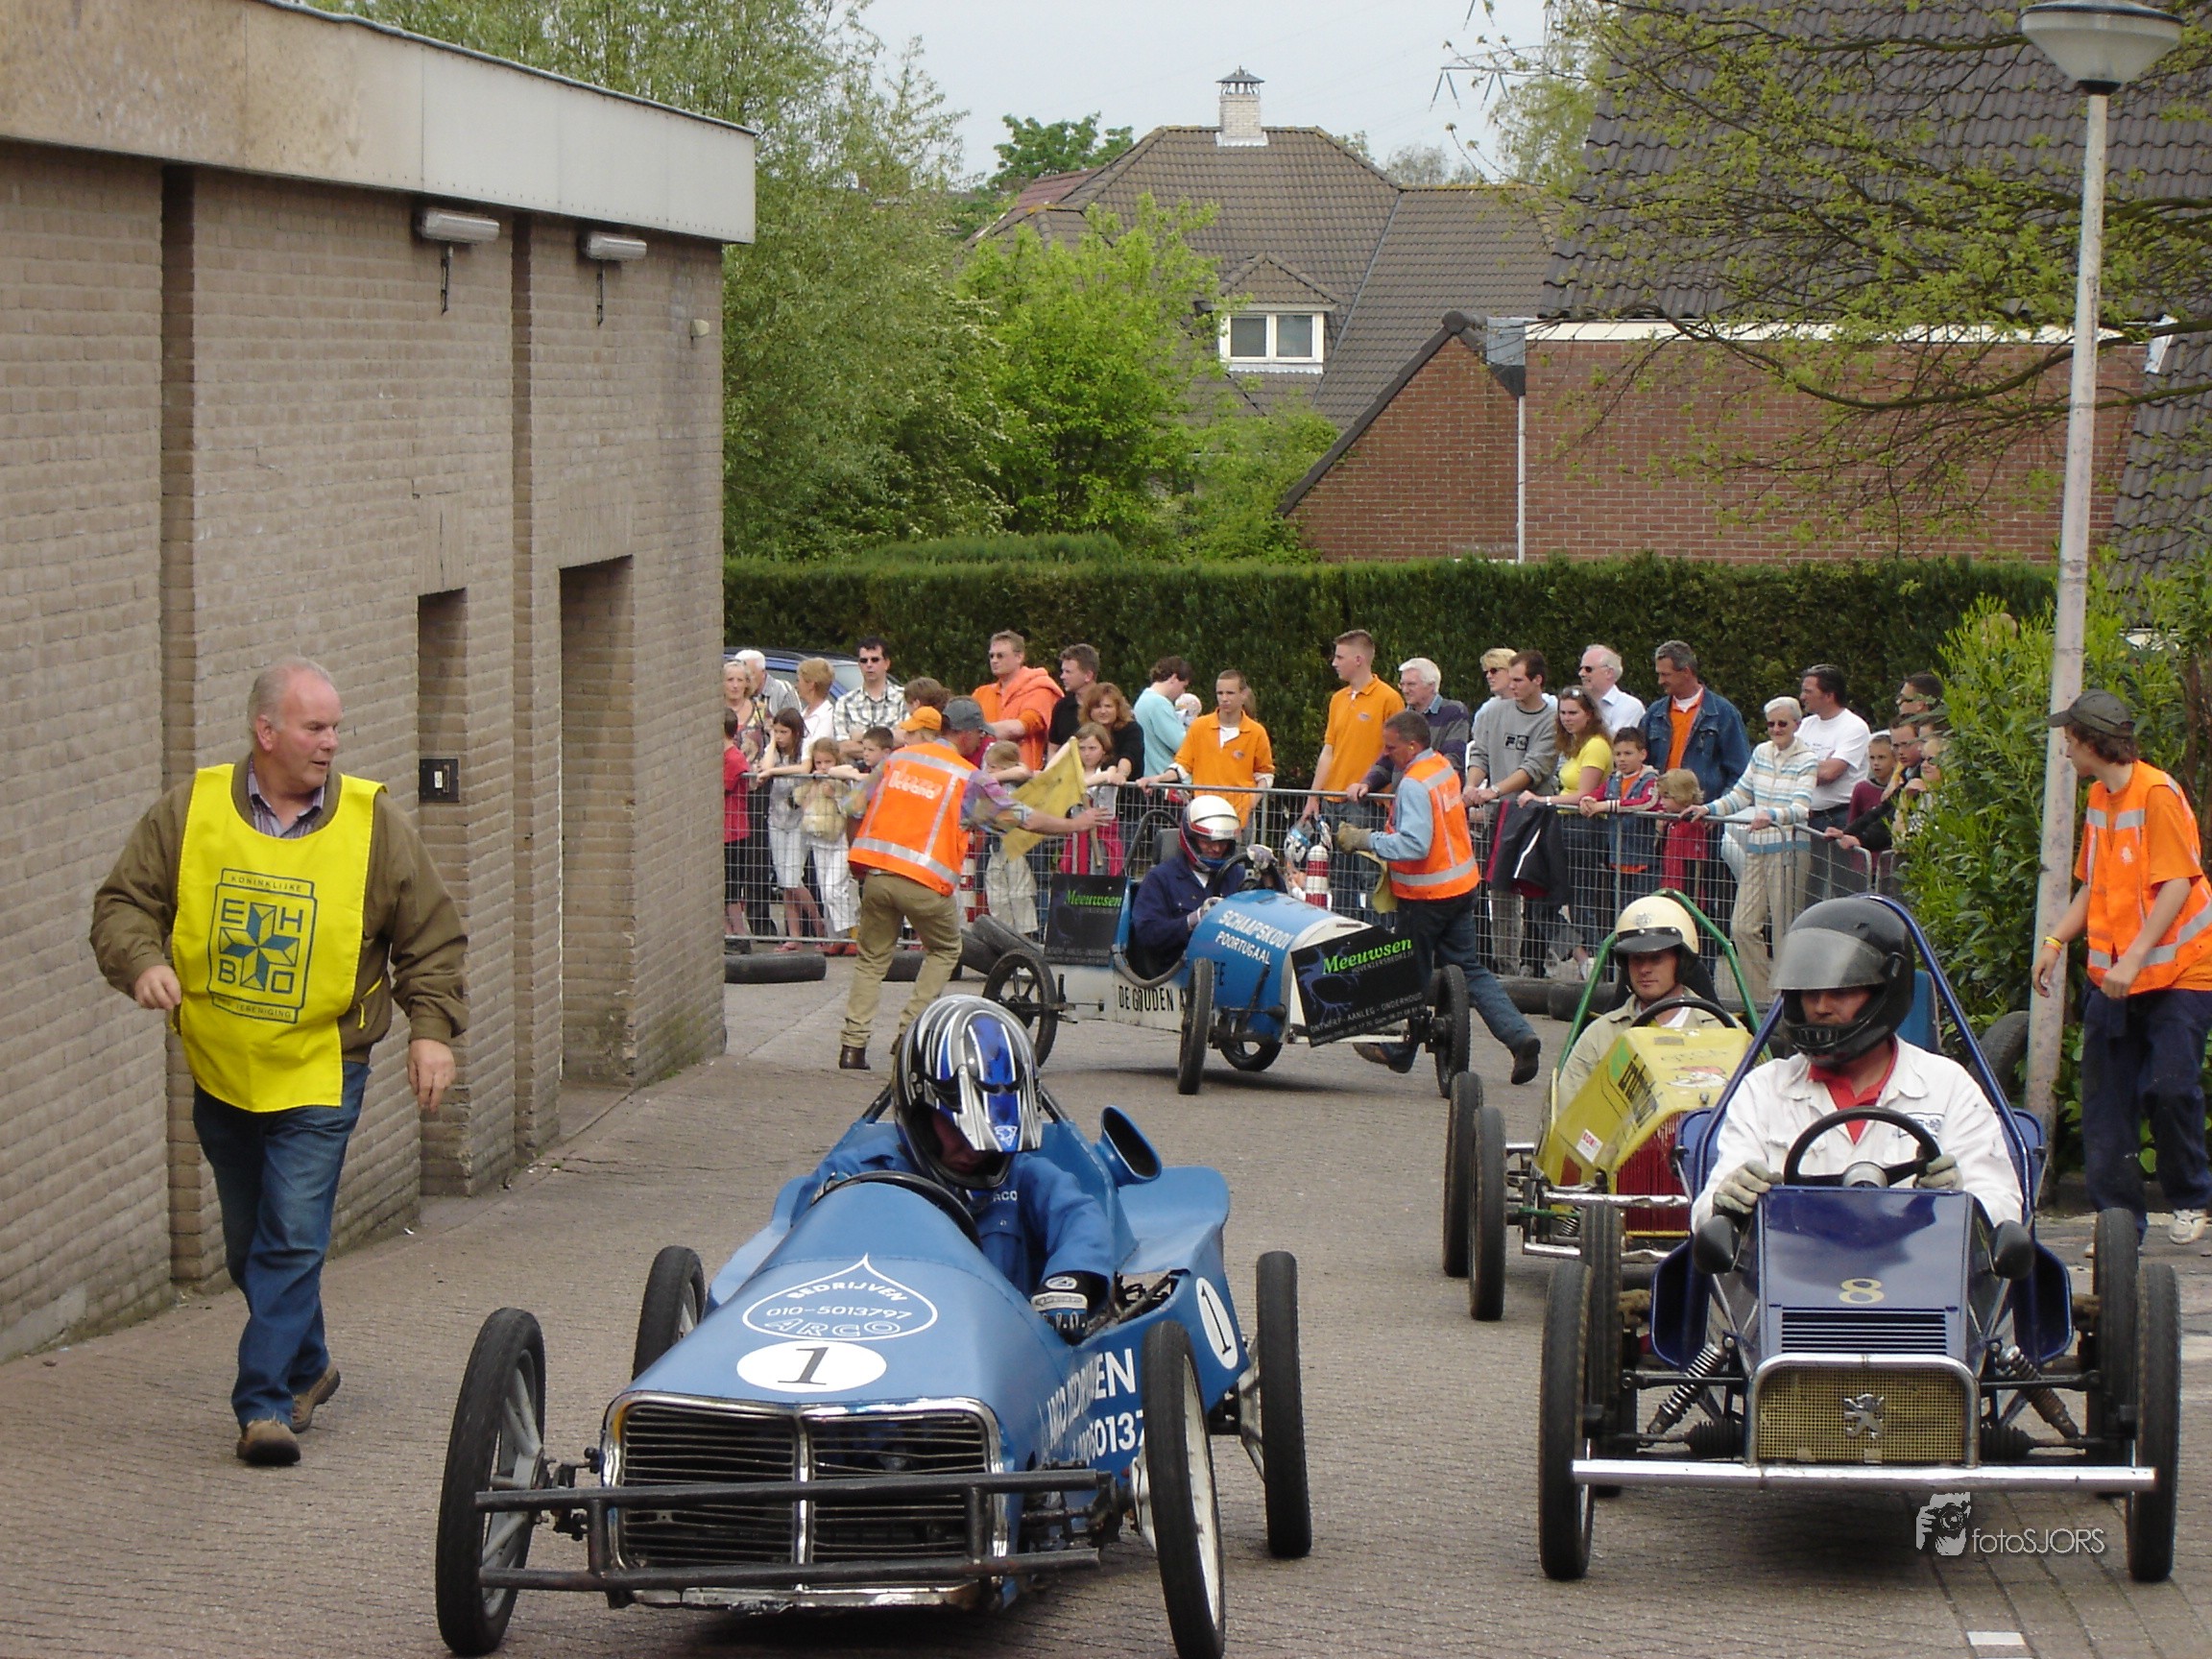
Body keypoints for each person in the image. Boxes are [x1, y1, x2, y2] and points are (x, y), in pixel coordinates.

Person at [88, 658, 465, 1466]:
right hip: (222, 1068)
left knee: (291, 1238)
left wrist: (431, 1030)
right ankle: (309, 1364)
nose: (332, 743)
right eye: (314, 727)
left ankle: (263, 1406)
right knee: (248, 1247)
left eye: (335, 728)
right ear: (266, 732)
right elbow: (124, 903)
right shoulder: (191, 811)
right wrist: (142, 963)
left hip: (323, 1068)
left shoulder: (373, 824)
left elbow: (430, 935)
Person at [1692, 898, 2023, 1232]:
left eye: (1840, 992)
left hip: (1917, 1261)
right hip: (1795, 1260)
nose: (1820, 1007)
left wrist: (1957, 1201)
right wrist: (1727, 1203)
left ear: (1884, 991)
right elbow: (1707, 1216)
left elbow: (2004, 1208)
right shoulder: (1764, 1090)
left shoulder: (1947, 1086)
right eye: (1809, 993)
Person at [805, 998, 1113, 1332]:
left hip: (998, 1344)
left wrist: (1070, 1280)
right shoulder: (861, 1174)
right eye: (957, 1129)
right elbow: (801, 1235)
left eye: (988, 1129)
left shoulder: (1024, 1178)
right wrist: (836, 1208)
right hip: (886, 1338)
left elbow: (1082, 1218)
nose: (974, 1150)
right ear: (920, 1115)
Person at [2033, 690, 2212, 1246]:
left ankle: (2190, 1198)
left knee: (2170, 1089)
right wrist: (2056, 941)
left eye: (2070, 741)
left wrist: (2133, 960)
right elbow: (2095, 883)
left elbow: (2177, 884)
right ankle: (2118, 1225)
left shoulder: (2156, 793)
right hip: (2115, 978)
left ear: (2092, 743)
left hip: (2180, 970)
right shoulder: (2099, 797)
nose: (2066, 751)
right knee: (2106, 1104)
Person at [837, 698, 1102, 1070]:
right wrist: (1076, 824)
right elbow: (1023, 819)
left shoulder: (898, 760)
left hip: (878, 875)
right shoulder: (968, 778)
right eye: (980, 733)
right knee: (946, 949)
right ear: (964, 733)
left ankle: (852, 1047)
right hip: (925, 882)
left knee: (871, 960)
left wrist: (858, 860)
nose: (982, 741)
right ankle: (908, 1035)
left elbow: (852, 808)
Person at [1335, 711, 1544, 1084]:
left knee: (1409, 974)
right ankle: (1520, 1037)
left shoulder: (1414, 784)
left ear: (1412, 745)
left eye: (1391, 747)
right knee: (1469, 970)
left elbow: (1415, 845)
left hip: (1425, 896)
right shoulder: (1443, 769)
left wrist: (1366, 840)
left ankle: (1399, 1051)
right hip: (1459, 887)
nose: (1386, 753)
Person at [1689, 695, 1817, 1010]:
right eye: (1771, 724)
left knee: (1784, 928)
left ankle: (1785, 1000)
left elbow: (1802, 807)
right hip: (1758, 848)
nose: (1776, 729)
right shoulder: (1761, 752)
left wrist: (1771, 815)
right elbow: (1740, 795)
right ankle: (1762, 999)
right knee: (1742, 926)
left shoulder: (1807, 758)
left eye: (1782, 724)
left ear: (1796, 725)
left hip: (1789, 848)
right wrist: (1708, 809)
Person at [1552, 896, 1726, 1113]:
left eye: (1656, 958)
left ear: (1681, 961)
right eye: (1636, 959)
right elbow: (1568, 1116)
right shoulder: (1600, 1037)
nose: (1644, 969)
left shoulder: (1723, 1034)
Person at [1300, 629, 1406, 912]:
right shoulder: (1338, 699)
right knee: (1339, 878)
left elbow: (1395, 753)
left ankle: (1377, 935)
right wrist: (1314, 796)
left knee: (1371, 874)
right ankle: (1344, 932)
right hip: (1333, 800)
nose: (1334, 663)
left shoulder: (1389, 698)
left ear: (1358, 659)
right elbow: (1329, 750)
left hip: (1367, 802)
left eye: (1340, 657)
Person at [1468, 650, 1557, 972]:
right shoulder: (1493, 712)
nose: (1512, 685)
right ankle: (1505, 964)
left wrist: (1494, 790)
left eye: (1519, 679)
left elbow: (1534, 767)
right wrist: (1471, 786)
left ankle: (1535, 964)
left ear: (1537, 680)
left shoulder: (1552, 717)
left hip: (1535, 815)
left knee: (1536, 892)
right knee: (1499, 889)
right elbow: (1479, 754)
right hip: (1499, 814)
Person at [1518, 685, 1612, 977]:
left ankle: (1601, 970)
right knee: (1543, 907)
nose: (1567, 718)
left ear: (1589, 714)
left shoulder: (1596, 745)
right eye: (1563, 713)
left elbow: (1585, 794)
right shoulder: (1573, 746)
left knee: (1581, 904)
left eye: (1573, 713)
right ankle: (1585, 960)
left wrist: (1543, 800)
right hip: (1562, 828)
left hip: (1583, 829)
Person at [1127, 795, 1257, 975]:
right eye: (1207, 841)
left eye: (1222, 842)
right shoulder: (1160, 879)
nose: (1217, 849)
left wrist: (1269, 874)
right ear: (1190, 838)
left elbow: (1271, 920)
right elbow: (1147, 935)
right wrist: (1193, 920)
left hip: (1234, 971)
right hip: (1176, 974)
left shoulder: (1238, 875)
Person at [1142, 669, 1275, 828]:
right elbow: (1182, 766)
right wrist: (1158, 779)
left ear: (1243, 694)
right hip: (1203, 814)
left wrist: (1251, 802)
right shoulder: (1199, 727)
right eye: (1220, 693)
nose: (1224, 698)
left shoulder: (1256, 732)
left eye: (1230, 693)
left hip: (1239, 816)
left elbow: (1265, 774)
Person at [1641, 639, 1751, 806]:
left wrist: (1719, 809)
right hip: (1660, 813)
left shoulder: (1724, 713)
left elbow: (1740, 772)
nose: (1660, 681)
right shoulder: (1654, 713)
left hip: (1704, 814)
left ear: (1686, 672)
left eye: (1665, 675)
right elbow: (1639, 763)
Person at [1798, 663, 1870, 902]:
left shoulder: (1854, 727)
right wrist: (1816, 765)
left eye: (1809, 691)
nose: (1802, 697)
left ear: (1829, 695)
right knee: (1813, 890)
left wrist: (1804, 765)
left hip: (1841, 817)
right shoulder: (1806, 725)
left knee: (1844, 887)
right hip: (1812, 818)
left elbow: (1831, 773)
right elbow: (1787, 765)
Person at [1350, 658, 1467, 796]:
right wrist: (1367, 784)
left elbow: (1452, 760)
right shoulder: (1402, 717)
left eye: (1411, 684)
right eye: (1402, 684)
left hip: (1438, 798)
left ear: (1431, 686)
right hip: (1403, 796)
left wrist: (1418, 786)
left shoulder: (1453, 711)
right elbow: (1388, 758)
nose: (1405, 690)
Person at [757, 708, 823, 947]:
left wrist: (773, 771)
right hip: (776, 819)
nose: (780, 736)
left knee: (793, 878)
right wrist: (772, 742)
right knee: (785, 881)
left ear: (795, 732)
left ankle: (818, 924)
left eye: (784, 732)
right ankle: (794, 936)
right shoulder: (775, 749)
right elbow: (765, 765)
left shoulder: (806, 747)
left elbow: (803, 769)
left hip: (798, 821)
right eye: (776, 731)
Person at [1581, 725, 1662, 906]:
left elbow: (1646, 802)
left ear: (1642, 754)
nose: (1622, 759)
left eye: (1628, 753)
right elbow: (1597, 793)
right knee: (1621, 906)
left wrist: (1607, 806)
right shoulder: (1613, 779)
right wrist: (1587, 801)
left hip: (1643, 859)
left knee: (1642, 906)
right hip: (1617, 858)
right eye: (1617, 754)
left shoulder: (1651, 779)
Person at [795, 737, 861, 952]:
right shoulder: (812, 783)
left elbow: (851, 810)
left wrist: (835, 796)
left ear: (836, 761)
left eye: (828, 762)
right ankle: (835, 937)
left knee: (836, 889)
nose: (823, 767)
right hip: (818, 840)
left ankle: (850, 935)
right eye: (819, 762)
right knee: (825, 892)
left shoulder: (842, 783)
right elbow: (800, 804)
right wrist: (813, 787)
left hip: (840, 841)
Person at [974, 631, 1062, 773]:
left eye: (1000, 655)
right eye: (991, 656)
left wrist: (977, 732)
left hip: (1023, 776)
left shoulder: (1040, 689)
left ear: (1019, 657)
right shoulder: (981, 693)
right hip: (982, 773)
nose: (994, 660)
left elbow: (1019, 728)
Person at [1059, 723, 1128, 876]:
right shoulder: (1074, 771)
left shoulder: (1108, 767)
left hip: (1104, 832)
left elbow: (1109, 775)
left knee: (1103, 871)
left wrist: (1083, 784)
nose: (1087, 753)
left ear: (1103, 749)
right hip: (1078, 833)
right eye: (1082, 748)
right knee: (1075, 868)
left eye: (1092, 748)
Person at [833, 636, 906, 757]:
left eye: (875, 660)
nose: (869, 664)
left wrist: (861, 737)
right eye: (864, 661)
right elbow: (843, 747)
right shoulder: (844, 702)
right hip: (856, 768)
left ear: (887, 663)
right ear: (859, 665)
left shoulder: (904, 697)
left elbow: (905, 739)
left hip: (896, 766)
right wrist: (888, 740)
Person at [1132, 656, 1194, 778]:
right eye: (1184, 686)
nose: (1183, 692)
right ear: (1174, 678)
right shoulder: (1159, 703)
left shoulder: (1143, 699)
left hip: (1150, 775)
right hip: (1164, 775)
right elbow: (1182, 744)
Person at [724, 709, 755, 940]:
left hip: (734, 832)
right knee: (724, 888)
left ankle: (739, 935)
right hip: (725, 831)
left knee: (732, 888)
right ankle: (728, 933)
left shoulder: (733, 758)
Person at [1578, 643, 1646, 735]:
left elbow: (1614, 740)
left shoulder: (1629, 706)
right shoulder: (1576, 704)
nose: (1581, 673)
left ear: (1609, 673)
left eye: (1588, 669)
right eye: (1581, 668)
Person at [1048, 643, 1100, 753]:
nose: (1062, 676)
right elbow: (1053, 748)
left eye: (1068, 672)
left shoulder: (1107, 706)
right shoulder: (1061, 707)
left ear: (1088, 676)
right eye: (1063, 671)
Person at [732, 648, 800, 719]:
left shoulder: (783, 690)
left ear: (763, 673)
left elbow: (793, 723)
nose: (745, 680)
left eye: (749, 674)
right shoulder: (733, 692)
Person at [794, 657, 839, 751]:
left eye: (798, 681)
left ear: (811, 684)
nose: (796, 685)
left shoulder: (827, 717)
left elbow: (816, 751)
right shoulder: (803, 714)